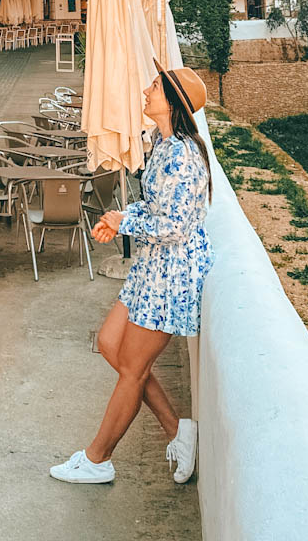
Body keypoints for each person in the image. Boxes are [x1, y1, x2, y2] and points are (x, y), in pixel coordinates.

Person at [50, 64, 213, 487]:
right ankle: (179, 430)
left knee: (133, 368)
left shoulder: (182, 155)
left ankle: (97, 458)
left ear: (173, 102)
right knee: (110, 345)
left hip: (170, 274)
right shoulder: (162, 143)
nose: (146, 90)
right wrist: (120, 216)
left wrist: (126, 225)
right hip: (151, 267)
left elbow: (175, 227)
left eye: (155, 87)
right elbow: (154, 208)